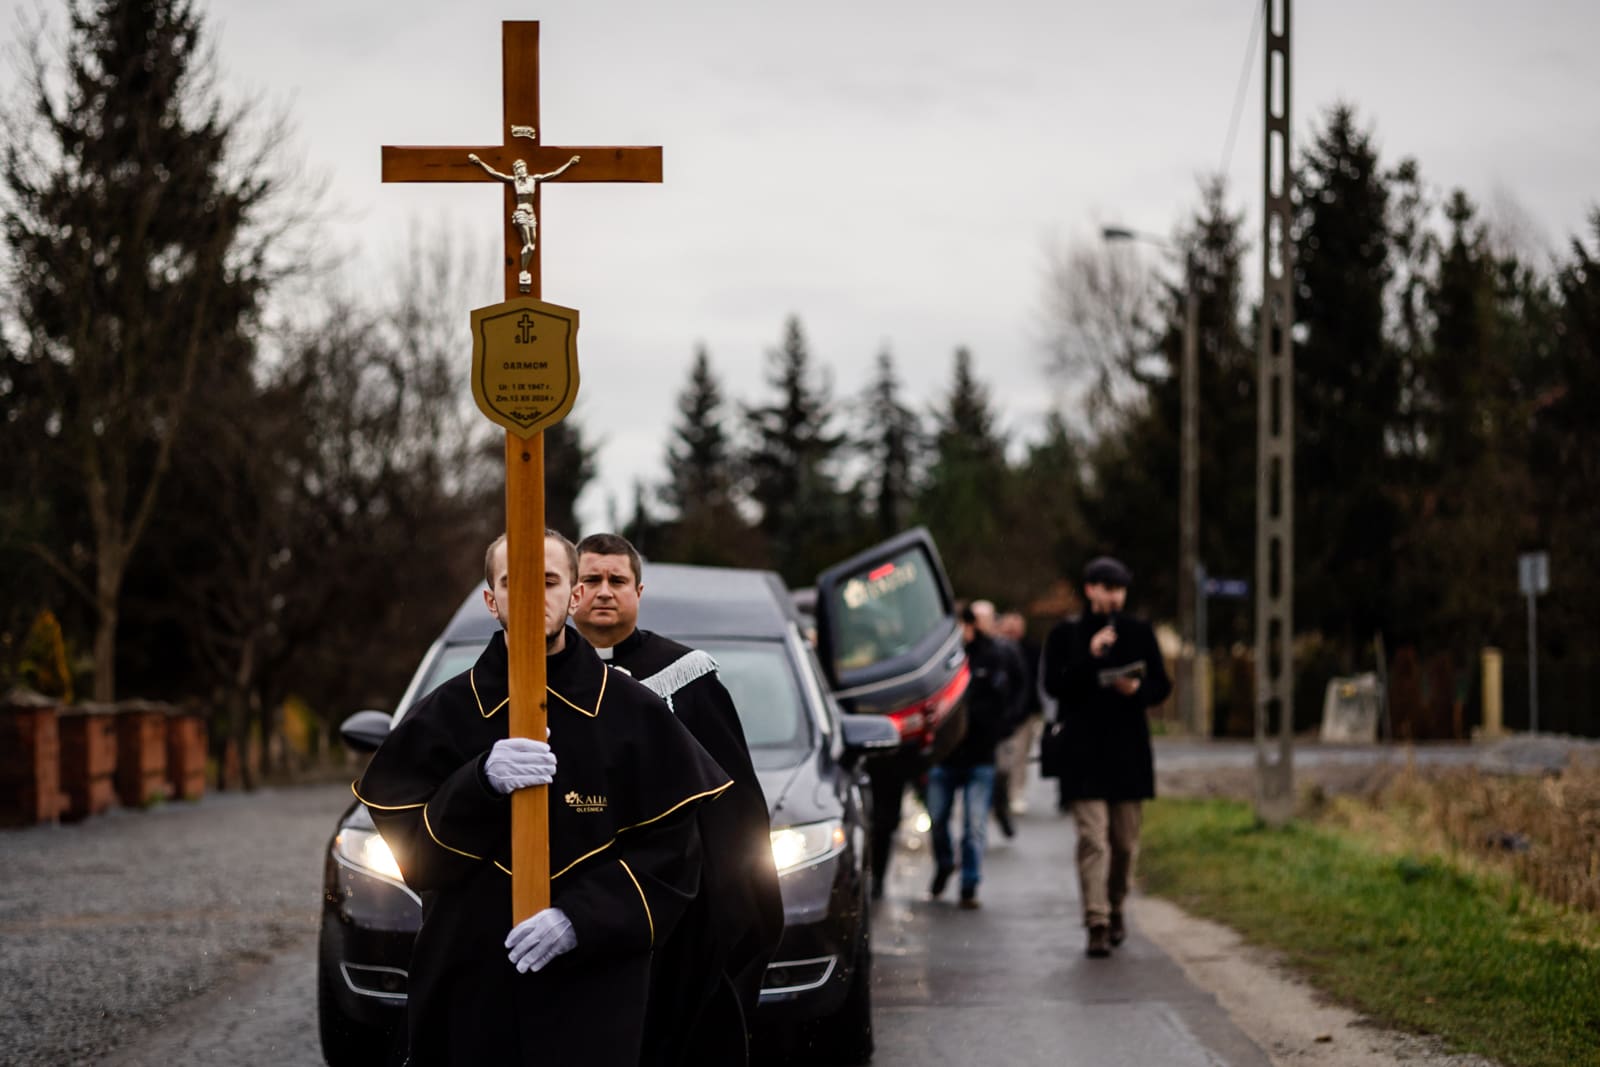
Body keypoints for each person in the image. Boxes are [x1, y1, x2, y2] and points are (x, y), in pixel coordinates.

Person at [355, 530, 731, 1065]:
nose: (533, 598)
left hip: (595, 990)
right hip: (470, 982)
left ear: (573, 595)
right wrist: (478, 783)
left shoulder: (632, 712)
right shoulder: (446, 713)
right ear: (492, 600)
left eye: (549, 582)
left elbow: (673, 859)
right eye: (514, 584)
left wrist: (580, 918)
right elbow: (417, 854)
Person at [571, 533, 784, 1067]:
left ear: (639, 591)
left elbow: (732, 803)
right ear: (569, 593)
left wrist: (735, 901)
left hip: (672, 910)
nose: (603, 592)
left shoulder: (685, 676)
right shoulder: (534, 673)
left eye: (616, 581)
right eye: (590, 580)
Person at [1040, 555, 1171, 959]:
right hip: (1082, 753)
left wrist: (1137, 691)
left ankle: (1116, 908)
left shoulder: (1138, 632)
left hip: (1128, 753)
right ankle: (1095, 921)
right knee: (1093, 840)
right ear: (1091, 589)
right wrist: (1090, 656)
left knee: (1125, 844)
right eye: (1107, 588)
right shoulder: (1067, 634)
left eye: (1120, 589)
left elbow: (1162, 685)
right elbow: (1053, 686)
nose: (1114, 596)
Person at [927, 602, 1027, 909]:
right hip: (944, 757)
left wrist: (1002, 728)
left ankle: (969, 884)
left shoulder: (993, 656)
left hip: (980, 756)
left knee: (974, 826)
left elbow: (1011, 694)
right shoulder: (938, 662)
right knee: (938, 819)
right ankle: (945, 863)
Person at [465, 150, 581, 289]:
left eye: (522, 168)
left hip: (531, 215)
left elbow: (553, 174)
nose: (520, 171)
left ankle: (525, 270)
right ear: (515, 172)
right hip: (521, 213)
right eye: (517, 169)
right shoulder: (514, 181)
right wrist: (480, 162)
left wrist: (569, 163)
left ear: (526, 168)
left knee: (532, 245)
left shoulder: (534, 179)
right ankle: (523, 271)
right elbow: (494, 173)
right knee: (527, 243)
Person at [995, 610, 1044, 816]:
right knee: (1000, 759)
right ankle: (1000, 796)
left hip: (1025, 713)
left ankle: (1016, 793)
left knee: (1019, 756)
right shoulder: (996, 649)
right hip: (999, 713)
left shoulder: (1032, 649)